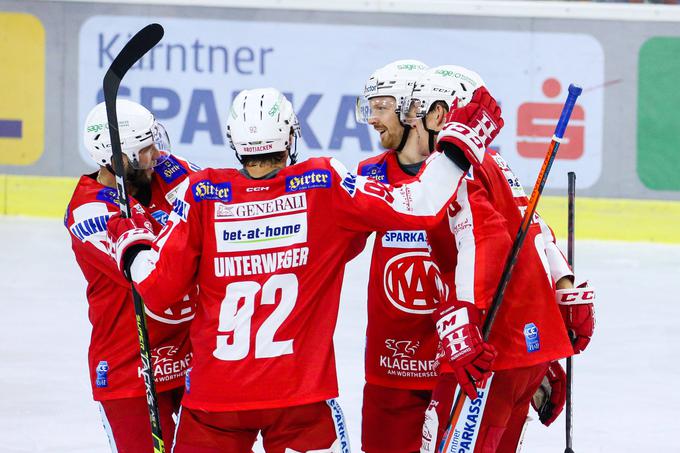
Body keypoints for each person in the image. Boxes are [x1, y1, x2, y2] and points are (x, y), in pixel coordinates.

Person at [104, 86, 500, 453]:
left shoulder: (202, 192)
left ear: (233, 140)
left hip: (215, 401)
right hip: (301, 399)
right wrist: (456, 150)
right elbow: (420, 204)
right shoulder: (322, 182)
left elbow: (157, 288)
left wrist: (132, 243)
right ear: (290, 137)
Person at [391, 66, 597, 453]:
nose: (411, 122)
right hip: (529, 350)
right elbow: (537, 232)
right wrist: (565, 293)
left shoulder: (453, 167)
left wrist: (464, 322)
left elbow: (483, 242)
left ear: (440, 114)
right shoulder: (496, 163)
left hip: (487, 349)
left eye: (418, 110)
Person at [64, 100, 197, 452]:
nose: (156, 154)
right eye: (145, 149)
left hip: (192, 358)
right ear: (118, 159)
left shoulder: (171, 171)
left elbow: (222, 202)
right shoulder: (89, 210)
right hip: (129, 369)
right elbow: (153, 275)